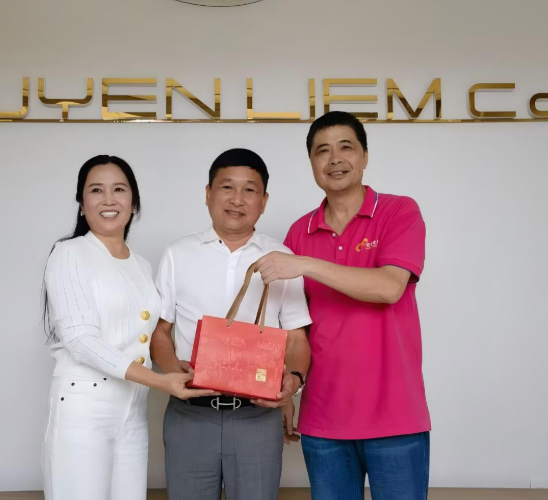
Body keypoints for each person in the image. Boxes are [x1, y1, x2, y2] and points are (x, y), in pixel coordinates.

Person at [255, 112, 431, 500]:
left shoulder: (399, 212)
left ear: (365, 156)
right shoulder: (299, 231)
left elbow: (389, 287)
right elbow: (293, 329)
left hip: (395, 417)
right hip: (323, 419)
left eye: (346, 147)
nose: (335, 159)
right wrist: (285, 388)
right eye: (322, 151)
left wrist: (306, 263)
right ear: (312, 163)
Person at [41, 155, 217, 500]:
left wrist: (174, 367)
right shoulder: (69, 253)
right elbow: (81, 341)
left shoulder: (141, 265)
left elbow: (142, 336)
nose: (109, 199)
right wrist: (159, 381)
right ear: (81, 203)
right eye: (96, 190)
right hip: (84, 408)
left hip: (133, 410)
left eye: (119, 189)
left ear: (134, 201)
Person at [150, 148, 312, 500]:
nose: (237, 199)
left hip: (257, 418)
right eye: (227, 187)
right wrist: (172, 369)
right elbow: (160, 331)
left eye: (250, 190)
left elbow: (297, 338)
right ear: (208, 193)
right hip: (189, 415)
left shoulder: (282, 258)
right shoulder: (178, 254)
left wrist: (295, 380)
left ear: (264, 201)